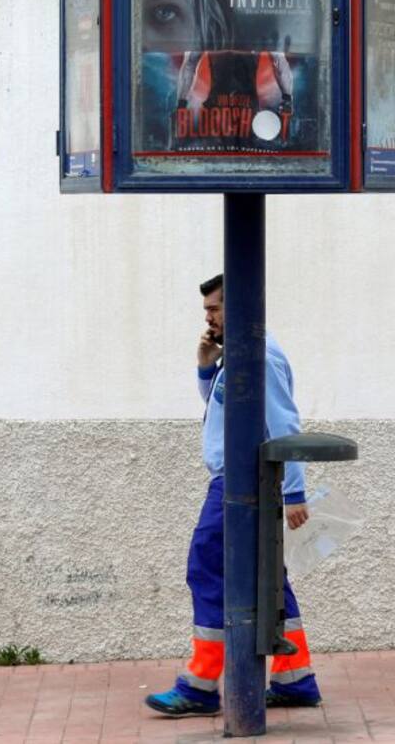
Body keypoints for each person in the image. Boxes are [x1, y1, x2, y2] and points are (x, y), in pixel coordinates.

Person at [145, 274, 323, 718]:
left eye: (215, 309)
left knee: (206, 567)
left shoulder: (260, 356)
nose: (209, 318)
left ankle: (201, 684)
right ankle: (295, 678)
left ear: (241, 307)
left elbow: (284, 424)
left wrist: (296, 489)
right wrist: (207, 367)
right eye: (206, 310)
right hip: (244, 479)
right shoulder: (239, 355)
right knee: (268, 578)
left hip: (239, 483)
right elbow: (225, 409)